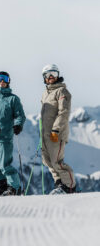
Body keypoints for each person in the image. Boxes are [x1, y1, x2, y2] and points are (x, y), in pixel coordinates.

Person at [41, 64, 76, 194]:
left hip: (57, 133)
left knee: (57, 162)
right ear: (44, 77)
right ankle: (59, 183)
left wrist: (56, 129)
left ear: (58, 75)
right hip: (45, 134)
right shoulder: (46, 93)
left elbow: (64, 112)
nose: (51, 77)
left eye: (53, 74)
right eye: (48, 75)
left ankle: (69, 186)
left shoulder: (62, 91)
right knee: (47, 161)